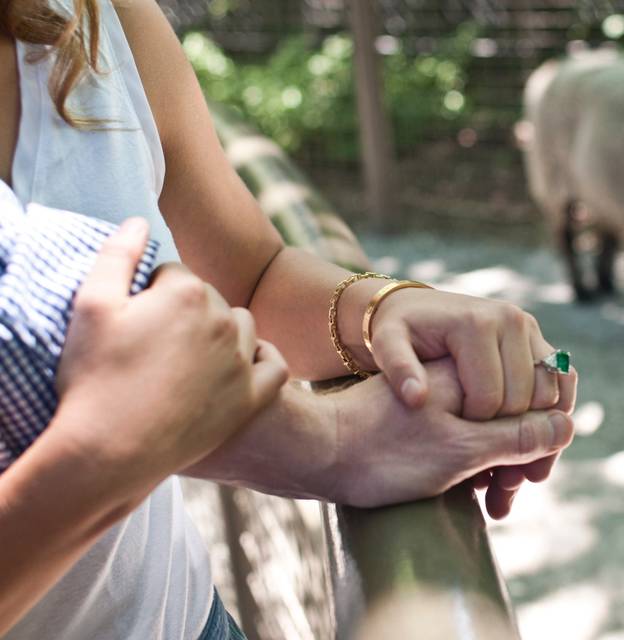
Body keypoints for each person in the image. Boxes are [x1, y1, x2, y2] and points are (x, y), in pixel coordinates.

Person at [0, 0, 578, 638]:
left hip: (192, 620)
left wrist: (383, 308)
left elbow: (249, 279)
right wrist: (100, 457)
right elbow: (122, 414)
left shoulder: (99, 20)